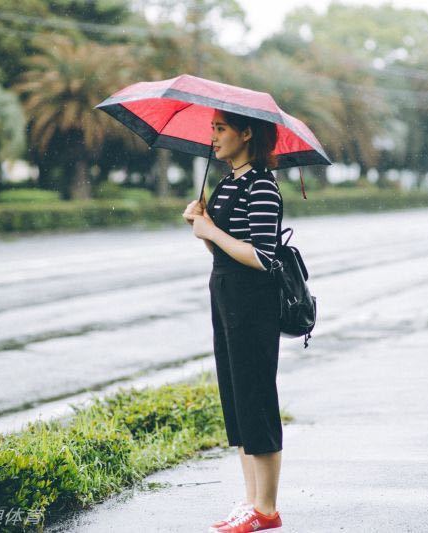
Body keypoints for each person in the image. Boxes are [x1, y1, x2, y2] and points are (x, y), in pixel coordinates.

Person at [183, 108, 284, 533]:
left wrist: (211, 231)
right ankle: (250, 502)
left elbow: (263, 256)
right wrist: (200, 226)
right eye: (212, 129)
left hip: (254, 302)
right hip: (225, 294)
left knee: (256, 396)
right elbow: (224, 250)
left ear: (246, 133)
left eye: (221, 129)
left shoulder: (262, 185)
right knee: (236, 398)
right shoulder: (226, 184)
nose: (213, 136)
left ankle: (267, 508)